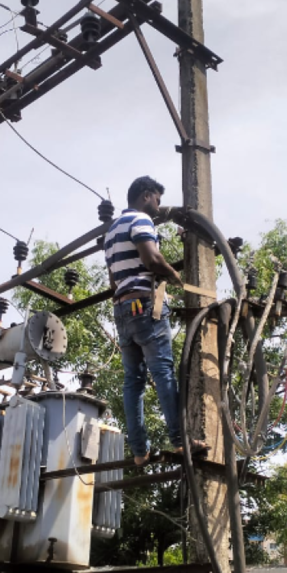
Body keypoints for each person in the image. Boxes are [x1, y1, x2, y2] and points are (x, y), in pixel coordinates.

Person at [104, 176, 207, 465]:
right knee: (162, 371)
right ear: (146, 195)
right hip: (143, 305)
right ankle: (180, 440)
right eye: (157, 200)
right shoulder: (140, 220)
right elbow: (151, 259)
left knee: (132, 382)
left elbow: (113, 281)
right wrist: (173, 277)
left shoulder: (111, 232)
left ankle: (139, 451)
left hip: (122, 309)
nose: (159, 208)